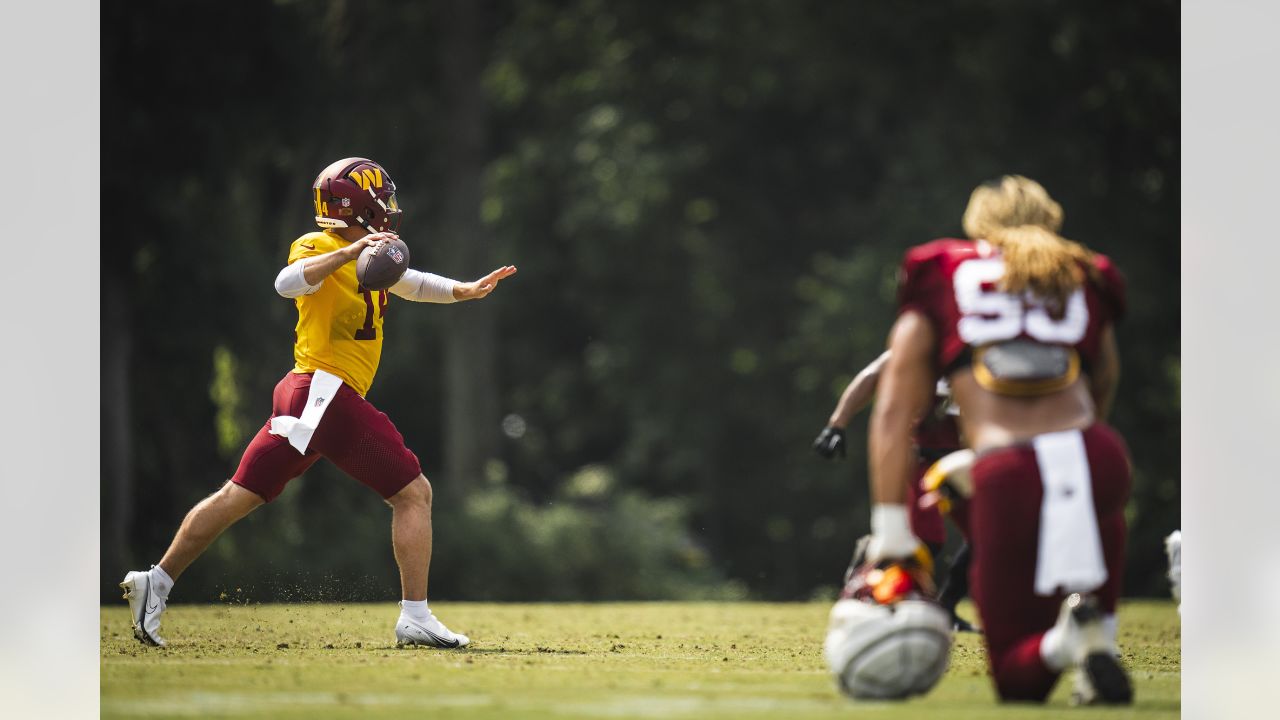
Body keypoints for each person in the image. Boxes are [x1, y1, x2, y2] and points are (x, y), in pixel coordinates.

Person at [120, 157, 516, 650]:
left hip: (311, 393)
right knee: (414, 494)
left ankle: (154, 581)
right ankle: (415, 616)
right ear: (358, 204)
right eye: (380, 199)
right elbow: (287, 282)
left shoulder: (373, 250)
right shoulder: (322, 244)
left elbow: (410, 281)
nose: (388, 209)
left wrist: (464, 290)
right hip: (323, 390)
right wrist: (347, 253)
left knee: (238, 495)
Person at [852, 175, 1131, 704]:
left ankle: (1064, 641)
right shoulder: (1084, 272)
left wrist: (890, 529)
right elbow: (1103, 384)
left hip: (1008, 469)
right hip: (1096, 458)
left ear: (976, 222)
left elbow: (893, 408)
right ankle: (1098, 646)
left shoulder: (940, 269)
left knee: (1017, 677)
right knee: (1089, 510)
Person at [813, 353, 977, 632]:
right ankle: (867, 581)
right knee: (927, 541)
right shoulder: (931, 339)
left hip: (966, 460)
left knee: (987, 535)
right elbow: (872, 374)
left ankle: (947, 606)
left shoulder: (990, 343)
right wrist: (836, 424)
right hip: (921, 457)